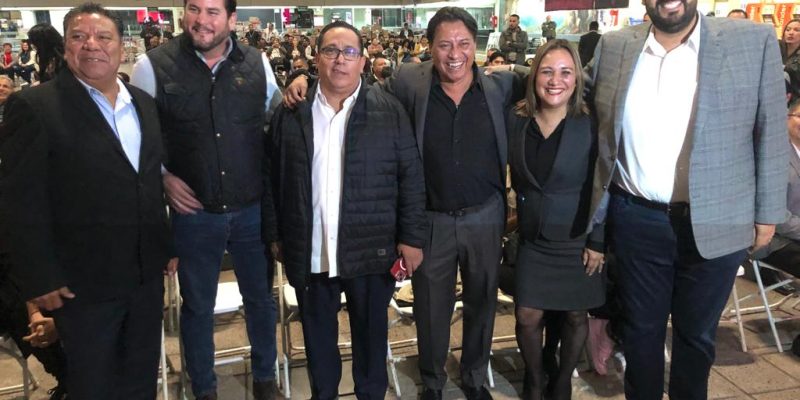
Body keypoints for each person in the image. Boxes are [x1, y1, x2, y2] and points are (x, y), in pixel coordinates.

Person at [285, 7, 523, 399]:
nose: (455, 53)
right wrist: (304, 78)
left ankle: (474, 377)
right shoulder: (409, 82)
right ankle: (432, 382)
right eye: (444, 44)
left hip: (485, 214)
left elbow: (551, 77)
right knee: (431, 308)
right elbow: (350, 82)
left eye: (463, 43)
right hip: (431, 218)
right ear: (430, 47)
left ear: (475, 45)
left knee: (482, 302)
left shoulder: (501, 85)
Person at [586, 0, 788, 398]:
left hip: (719, 217)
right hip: (636, 219)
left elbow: (771, 128)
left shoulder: (752, 41)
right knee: (640, 332)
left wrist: (767, 212)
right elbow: (577, 98)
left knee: (696, 336)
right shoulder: (614, 46)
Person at [0, 3, 175, 398]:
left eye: (103, 36)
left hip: (144, 278)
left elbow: (146, 183)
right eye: (79, 37)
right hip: (82, 283)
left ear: (121, 46)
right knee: (93, 384)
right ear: (66, 48)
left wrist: (164, 244)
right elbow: (19, 202)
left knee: (140, 380)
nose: (91, 44)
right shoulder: (36, 107)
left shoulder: (142, 104)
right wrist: (39, 278)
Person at [265, 21, 427, 399]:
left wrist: (411, 238)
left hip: (370, 249)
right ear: (316, 59)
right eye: (331, 51)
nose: (340, 60)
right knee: (319, 344)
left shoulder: (389, 111)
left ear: (363, 61)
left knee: (370, 343)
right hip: (313, 249)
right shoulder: (292, 112)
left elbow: (410, 177)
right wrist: (275, 234)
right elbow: (271, 176)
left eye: (349, 52)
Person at [130, 0, 281, 398]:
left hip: (251, 209)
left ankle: (266, 380)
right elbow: (137, 137)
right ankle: (204, 388)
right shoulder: (151, 67)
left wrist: (299, 84)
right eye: (194, 9)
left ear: (231, 19)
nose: (202, 20)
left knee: (261, 301)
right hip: (194, 212)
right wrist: (163, 176)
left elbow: (276, 121)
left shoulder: (257, 64)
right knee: (198, 307)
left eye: (213, 11)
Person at [509, 38, 605, 400]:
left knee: (576, 315)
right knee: (527, 315)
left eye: (566, 72)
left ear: (577, 78)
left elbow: (604, 184)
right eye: (547, 71)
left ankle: (563, 378)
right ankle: (535, 378)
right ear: (534, 75)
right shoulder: (517, 119)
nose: (555, 80)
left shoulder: (590, 122)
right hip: (533, 237)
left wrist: (598, 240)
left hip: (577, 236)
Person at [753, 98, 800, 349]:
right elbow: (775, 214)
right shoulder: (773, 155)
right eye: (799, 116)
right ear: (787, 117)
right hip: (773, 238)